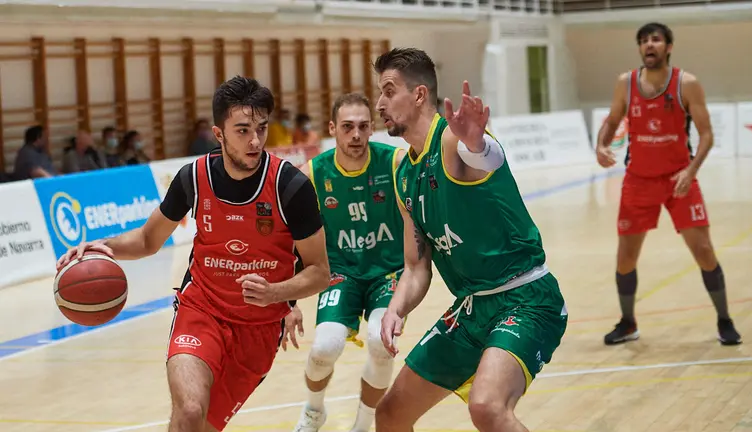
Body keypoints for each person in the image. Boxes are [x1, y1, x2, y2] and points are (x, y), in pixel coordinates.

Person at [55, 76, 331, 432]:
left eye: (261, 129)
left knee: (201, 425)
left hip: (258, 330)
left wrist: (277, 293)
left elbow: (319, 271)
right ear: (219, 135)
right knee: (188, 410)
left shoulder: (291, 187)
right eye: (243, 130)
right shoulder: (193, 178)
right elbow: (146, 240)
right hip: (201, 311)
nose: (255, 140)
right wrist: (101, 246)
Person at [372, 48, 568, 432]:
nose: (379, 102)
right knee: (391, 413)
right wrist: (396, 308)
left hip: (525, 299)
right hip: (471, 308)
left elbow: (484, 157)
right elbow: (416, 266)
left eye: (388, 90)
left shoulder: (451, 139)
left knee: (487, 408)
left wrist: (478, 143)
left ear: (419, 95)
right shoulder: (401, 172)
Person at [596, 22, 741, 346]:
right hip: (638, 181)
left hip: (679, 180)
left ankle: (724, 319)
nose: (650, 45)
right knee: (625, 259)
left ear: (669, 47)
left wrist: (691, 171)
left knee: (704, 251)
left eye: (656, 40)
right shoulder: (626, 83)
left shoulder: (687, 84)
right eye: (644, 41)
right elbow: (613, 120)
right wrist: (601, 145)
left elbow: (706, 134)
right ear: (639, 49)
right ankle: (628, 322)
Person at [289, 93, 406, 432]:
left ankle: (364, 423)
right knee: (325, 346)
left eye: (363, 127)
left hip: (389, 273)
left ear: (372, 128)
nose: (356, 135)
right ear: (332, 129)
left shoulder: (395, 162)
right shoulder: (311, 174)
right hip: (339, 273)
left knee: (380, 343)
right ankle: (313, 411)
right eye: (347, 127)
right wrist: (289, 301)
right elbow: (285, 239)